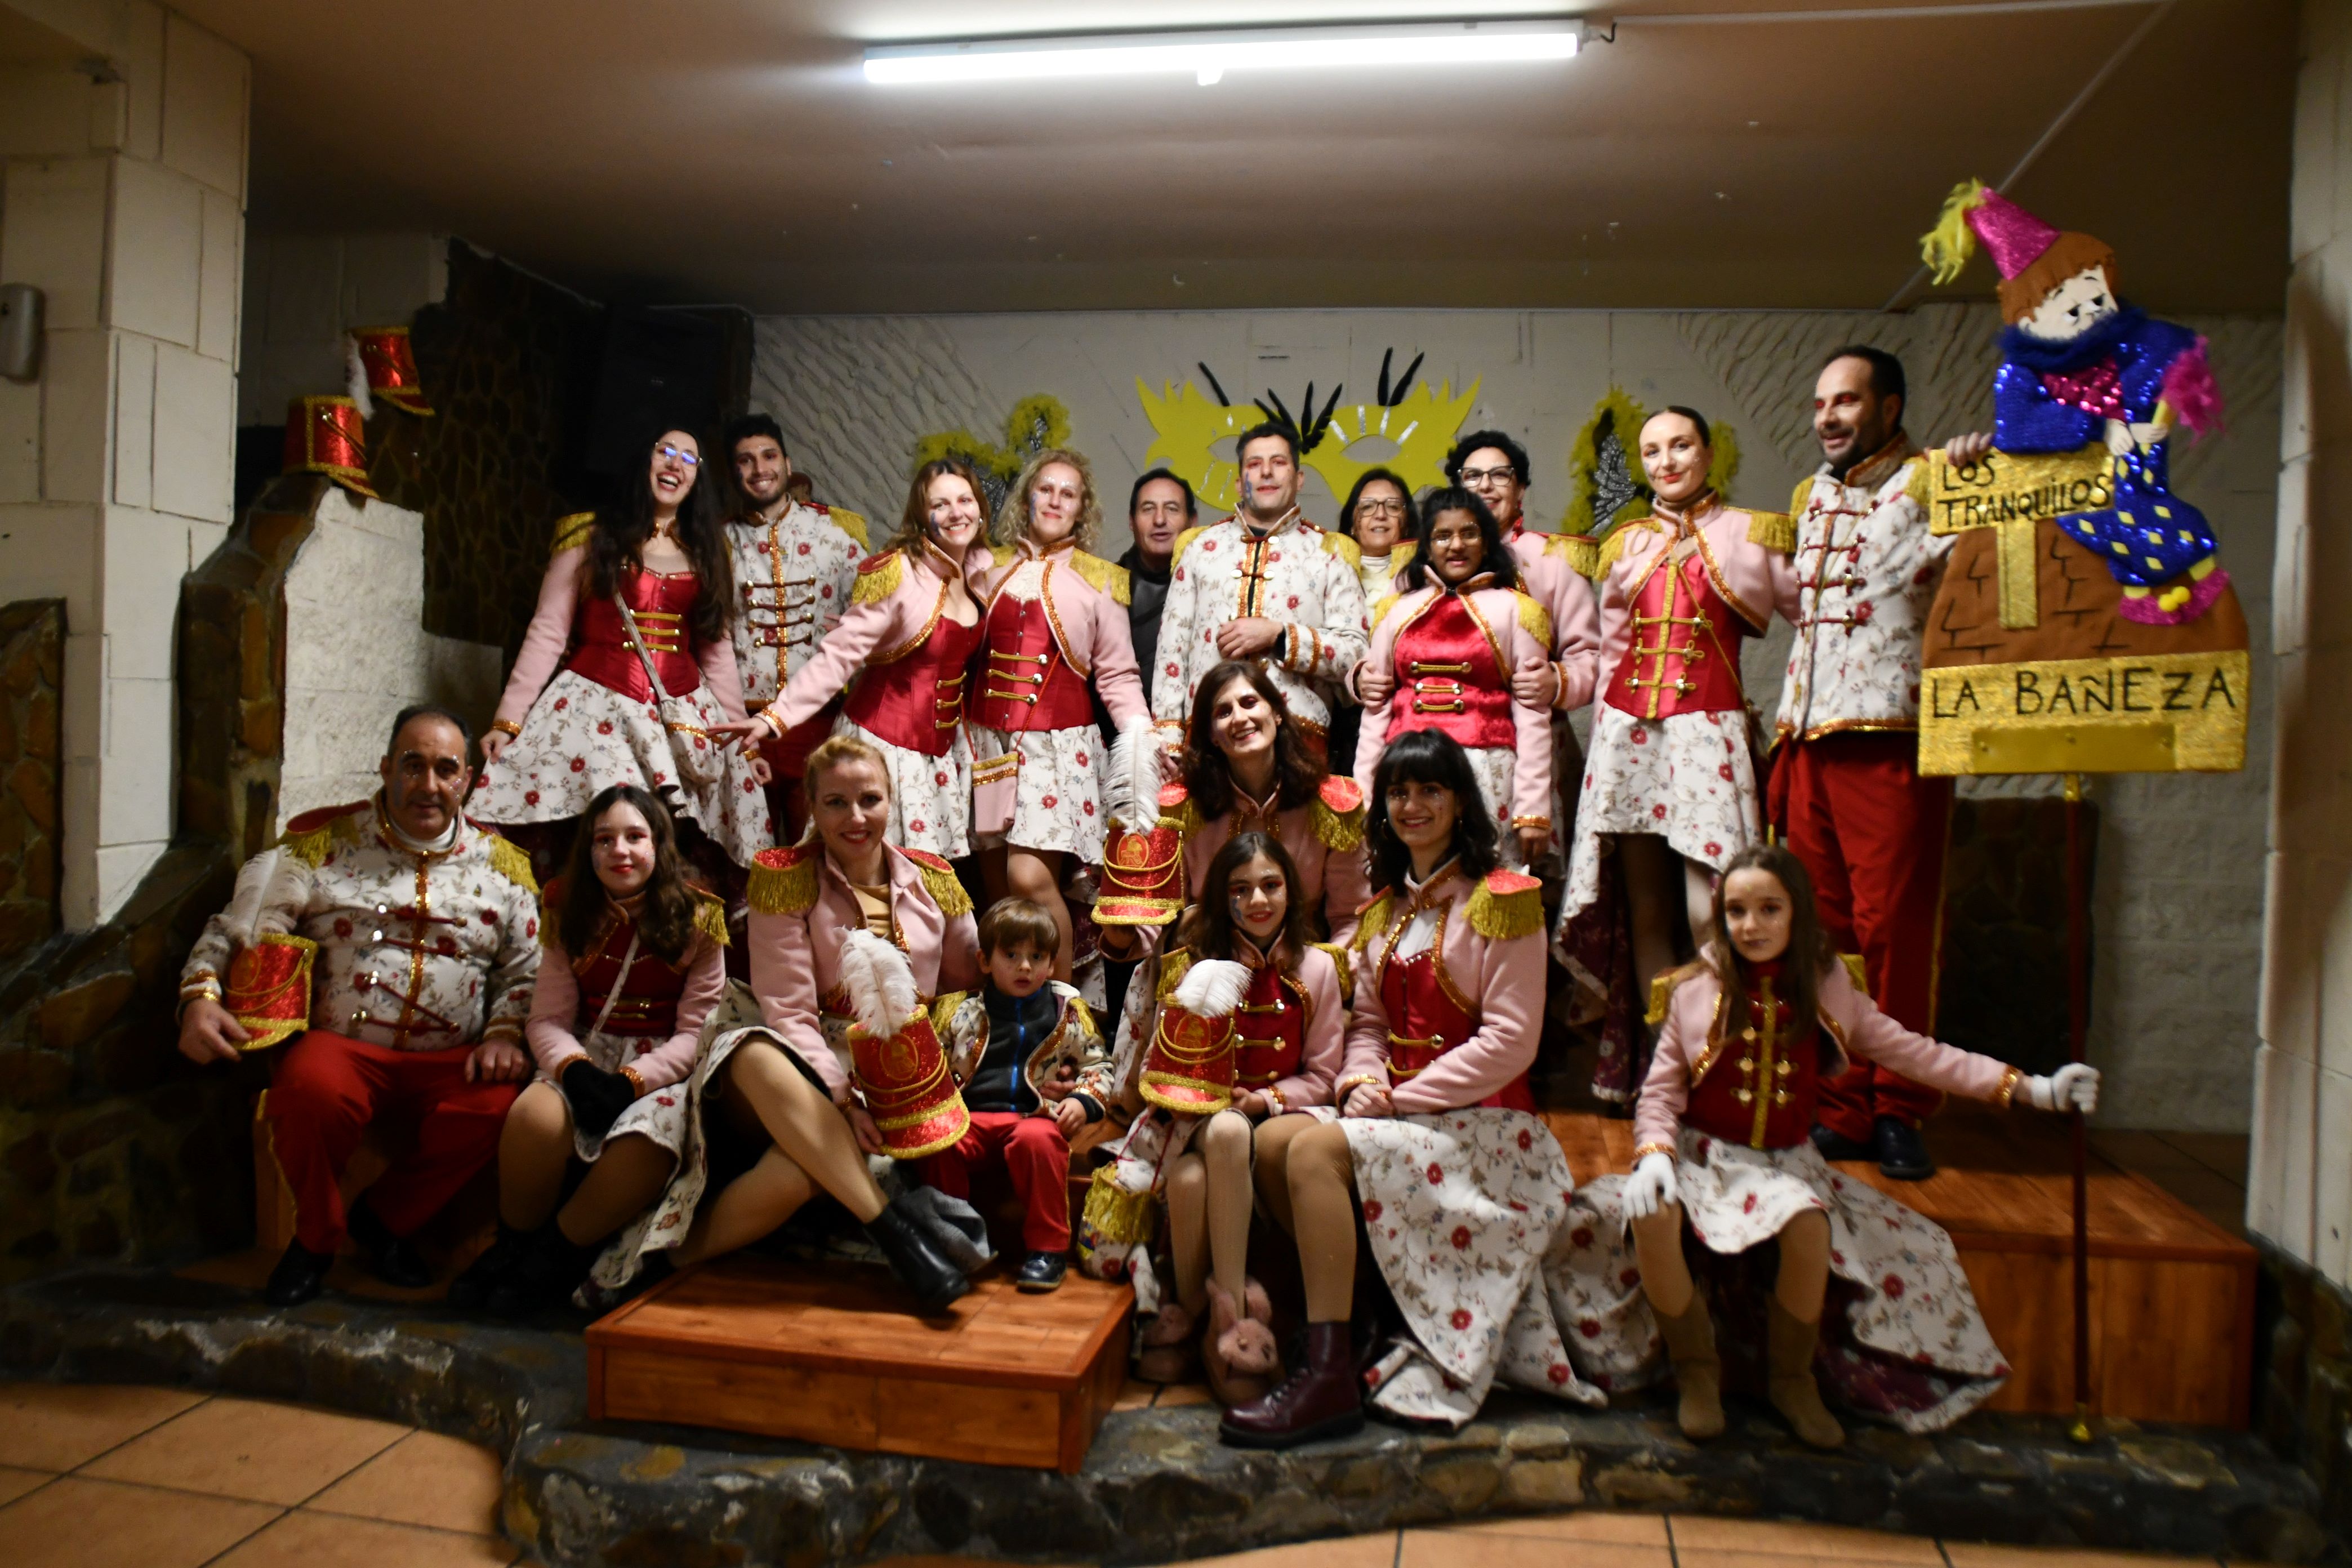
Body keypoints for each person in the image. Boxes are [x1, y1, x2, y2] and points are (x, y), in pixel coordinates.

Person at [1614, 843, 2100, 1444]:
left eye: (1770, 909)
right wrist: (1654, 1157)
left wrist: (2031, 1089)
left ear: (1797, 912)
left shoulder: (1828, 986)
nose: (1752, 925)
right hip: (1702, 1158)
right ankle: (1695, 1369)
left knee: (1808, 1223)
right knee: (1651, 1214)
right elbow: (1660, 1094)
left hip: (1783, 1165)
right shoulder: (1693, 990)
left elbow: (1920, 1055)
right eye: (1737, 911)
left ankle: (1792, 1379)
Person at [1223, 730, 1607, 1447]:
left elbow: (1511, 1042)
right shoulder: (1384, 911)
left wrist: (1400, 1098)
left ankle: (1328, 1378)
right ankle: (1360, 1323)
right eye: (1398, 792)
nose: (1412, 805)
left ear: (1461, 801)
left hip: (1487, 1127)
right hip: (1401, 1117)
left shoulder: (1504, 902)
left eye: (1431, 789)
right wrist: (1362, 1081)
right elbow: (1369, 1024)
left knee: (1311, 1153)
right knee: (1273, 1141)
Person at [176, 706, 541, 1307]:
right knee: (307, 1091)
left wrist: (504, 1033)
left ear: (467, 779)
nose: (428, 785)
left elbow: (525, 970)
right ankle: (314, 1240)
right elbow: (237, 926)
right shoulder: (322, 846)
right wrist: (200, 995)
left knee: (500, 1104)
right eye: (413, 766)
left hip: (452, 1056)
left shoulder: (505, 867)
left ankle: (386, 1220)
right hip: (344, 1048)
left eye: (445, 770)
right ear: (386, 768)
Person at [597, 737, 978, 1310]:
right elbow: (790, 1013)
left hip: (894, 1070)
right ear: (812, 807)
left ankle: (665, 1260)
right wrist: (843, 1099)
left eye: (869, 800)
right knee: (751, 1050)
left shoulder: (935, 878)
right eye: (836, 803)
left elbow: (964, 988)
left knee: (802, 1174)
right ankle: (895, 1233)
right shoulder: (785, 877)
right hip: (793, 1063)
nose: (855, 818)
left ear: (891, 800)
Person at [1774, 347, 1993, 1181]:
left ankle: (1900, 1106)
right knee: (1823, 935)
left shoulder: (1936, 479)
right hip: (1807, 737)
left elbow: (1998, 554)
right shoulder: (1810, 497)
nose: (1828, 417)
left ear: (1890, 407)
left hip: (1893, 735)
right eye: (1820, 403)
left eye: (1847, 401)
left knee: (1896, 933)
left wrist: (1979, 473)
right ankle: (1842, 1103)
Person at [1557, 407, 1799, 1104]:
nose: (1666, 462)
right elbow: (1611, 655)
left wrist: (1792, 716)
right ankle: (1670, 1070)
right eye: (1653, 451)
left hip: (1707, 733)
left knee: (1710, 909)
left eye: (1681, 446)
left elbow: (1817, 623)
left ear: (1708, 451)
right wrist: (1602, 747)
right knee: (1648, 913)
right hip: (1628, 737)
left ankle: (1719, 1063)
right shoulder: (1625, 544)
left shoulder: (1753, 533)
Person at [451, 784, 727, 1315]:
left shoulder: (701, 918)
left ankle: (552, 1258)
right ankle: (512, 1246)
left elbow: (697, 1033)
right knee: (533, 1118)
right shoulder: (566, 909)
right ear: (589, 849)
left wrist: (633, 1082)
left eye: (635, 837)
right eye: (604, 839)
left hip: (663, 1068)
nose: (620, 851)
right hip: (582, 1052)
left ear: (659, 844)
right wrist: (574, 1070)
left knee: (649, 1143)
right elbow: (547, 1019)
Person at [1110, 834, 1344, 1408]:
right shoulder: (1192, 965)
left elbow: (1324, 1073)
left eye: (1271, 885)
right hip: (1195, 1124)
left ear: (1292, 891)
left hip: (1279, 1119)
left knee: (1223, 1144)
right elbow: (1157, 1058)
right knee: (1195, 1169)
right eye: (1240, 889)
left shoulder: (1317, 967)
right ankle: (1219, 1320)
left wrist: (1264, 1100)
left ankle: (1214, 1317)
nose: (1257, 901)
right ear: (1221, 897)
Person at [473, 428, 773, 869]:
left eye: (689, 459)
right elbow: (548, 632)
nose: (675, 464)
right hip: (594, 708)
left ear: (698, 479)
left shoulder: (709, 554)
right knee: (598, 829)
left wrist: (744, 744)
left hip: (681, 713)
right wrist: (508, 720)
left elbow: (717, 653)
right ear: (644, 461)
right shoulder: (588, 537)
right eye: (665, 451)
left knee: (673, 842)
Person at [715, 457, 989, 859]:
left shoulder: (982, 573)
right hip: (882, 747)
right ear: (921, 515)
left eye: (965, 500)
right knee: (863, 870)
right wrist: (775, 717)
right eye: (940, 504)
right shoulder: (898, 572)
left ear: (980, 508)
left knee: (922, 879)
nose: (956, 513)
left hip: (941, 754)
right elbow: (839, 656)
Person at [969, 448, 1152, 980]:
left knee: (1029, 880)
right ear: (1027, 498)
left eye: (1068, 493)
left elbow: (1118, 675)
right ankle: (1010, 1011)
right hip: (985, 745)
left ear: (1082, 509)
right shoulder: (984, 567)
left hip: (1055, 749)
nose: (1055, 500)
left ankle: (1066, 1014)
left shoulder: (1101, 580)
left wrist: (1143, 742)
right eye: (1045, 489)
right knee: (998, 894)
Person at [1101, 660, 1373, 965]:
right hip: (1206, 969)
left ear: (1277, 713)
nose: (1240, 718)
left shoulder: (1333, 806)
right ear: (1212, 735)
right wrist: (1124, 933)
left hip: (1301, 968)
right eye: (1223, 712)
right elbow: (1157, 923)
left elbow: (1351, 918)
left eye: (1249, 703)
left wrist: (1322, 973)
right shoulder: (1180, 808)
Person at [1351, 487, 1555, 871]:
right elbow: (1376, 710)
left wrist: (1532, 809)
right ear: (1427, 548)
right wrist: (1366, 795)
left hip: (1488, 771)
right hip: (1407, 771)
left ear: (1486, 542)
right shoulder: (1396, 611)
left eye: (1469, 533)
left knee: (1488, 884)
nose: (1456, 545)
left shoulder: (1519, 611)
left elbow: (1533, 713)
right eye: (1443, 536)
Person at [1150, 421, 1370, 763]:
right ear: (1240, 482)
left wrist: (1279, 636)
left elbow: (1355, 654)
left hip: (1299, 741)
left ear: (1299, 478)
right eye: (1254, 464)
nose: (1266, 472)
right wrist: (1171, 742)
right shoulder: (1200, 548)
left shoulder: (1331, 553)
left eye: (1279, 462)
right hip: (1210, 741)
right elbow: (1171, 654)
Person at [925, 897, 1108, 1294]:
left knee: (1038, 1141)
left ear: (1051, 964)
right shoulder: (959, 1011)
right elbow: (933, 1064)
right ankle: (952, 1238)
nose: (1025, 966)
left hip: (1032, 1117)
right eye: (1011, 955)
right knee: (940, 1142)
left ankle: (1048, 1248)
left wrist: (1081, 1100)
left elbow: (1098, 1065)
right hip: (969, 1119)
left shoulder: (1066, 1012)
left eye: (1037, 957)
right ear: (985, 961)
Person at [720, 413, 866, 843]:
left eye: (769, 456)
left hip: (820, 722)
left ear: (787, 463)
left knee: (820, 848)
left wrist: (857, 630)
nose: (759, 469)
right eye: (745, 461)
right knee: (747, 852)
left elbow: (877, 619)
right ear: (734, 472)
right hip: (743, 723)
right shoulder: (716, 543)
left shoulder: (837, 533)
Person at [1328, 469, 1418, 773]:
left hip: (1407, 715)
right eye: (1368, 506)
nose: (1380, 515)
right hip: (1341, 722)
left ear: (1407, 520)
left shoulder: (1425, 577)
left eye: (1392, 506)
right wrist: (1354, 680)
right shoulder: (1328, 571)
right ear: (1352, 523)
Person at [1121, 467, 1195, 702]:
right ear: (1131, 521)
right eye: (1148, 509)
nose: (1160, 520)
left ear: (1192, 521)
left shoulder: (1213, 586)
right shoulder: (1105, 587)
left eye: (1172, 509)